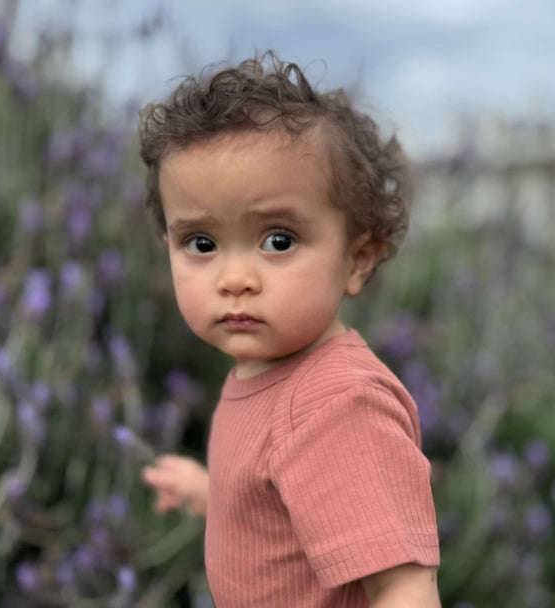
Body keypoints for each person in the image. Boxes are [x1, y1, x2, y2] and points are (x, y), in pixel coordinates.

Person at [138, 51, 440, 607]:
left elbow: (404, 587)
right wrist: (212, 494)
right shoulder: (268, 374)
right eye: (201, 243)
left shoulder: (336, 405)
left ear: (358, 258)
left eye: (278, 240)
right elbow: (280, 502)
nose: (234, 279)